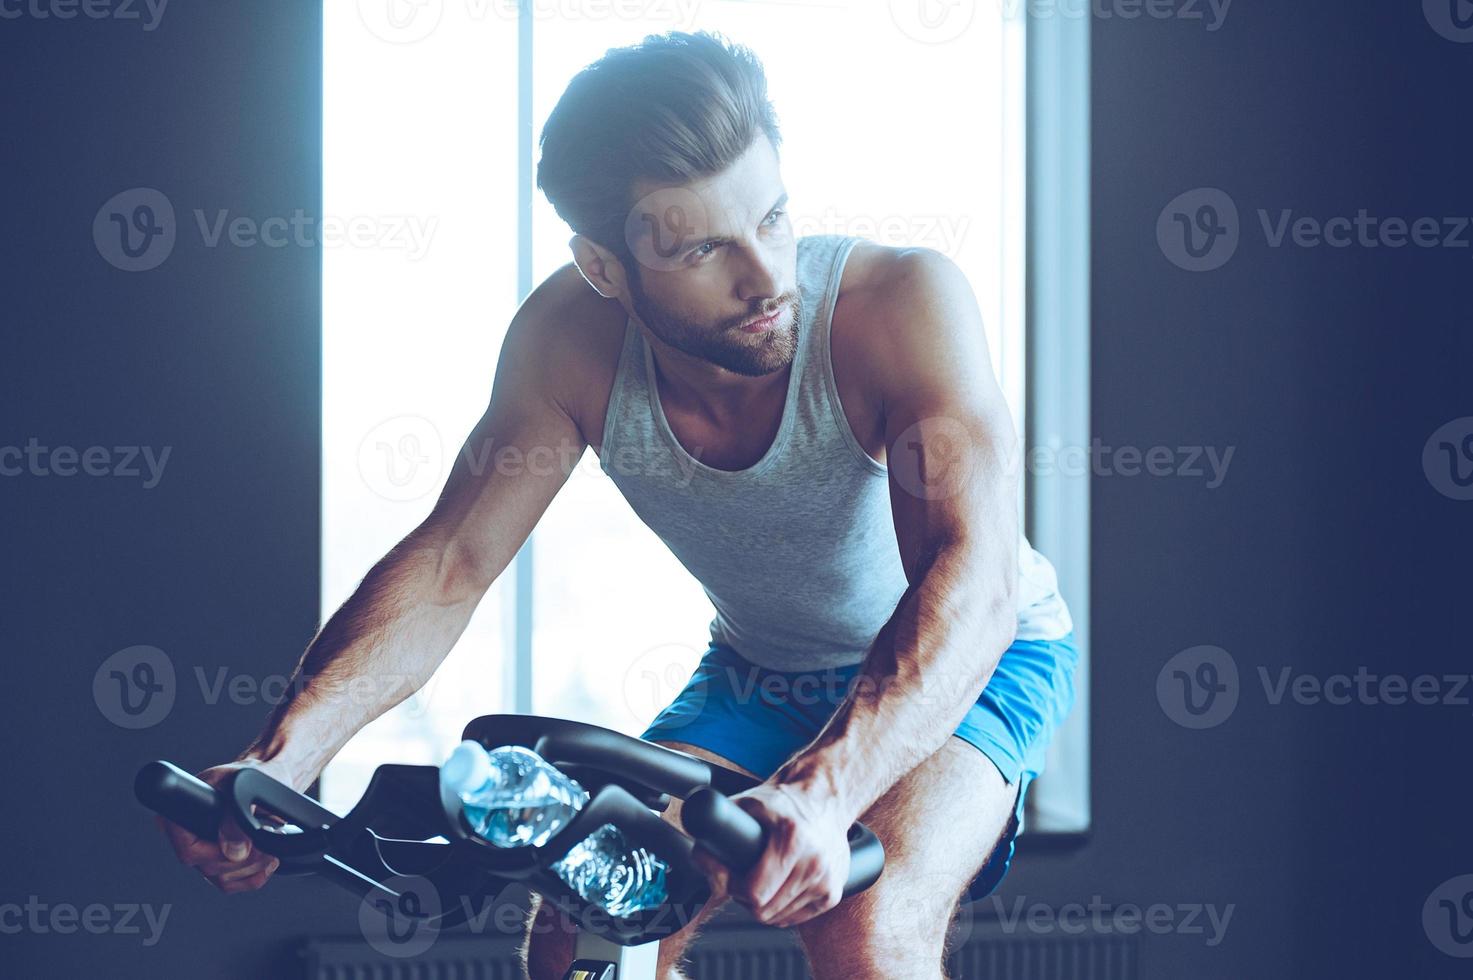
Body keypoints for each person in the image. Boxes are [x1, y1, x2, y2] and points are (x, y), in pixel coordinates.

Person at [157, 30, 1077, 980]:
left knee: (863, 918)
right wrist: (284, 758)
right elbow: (450, 565)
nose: (764, 276)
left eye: (770, 217)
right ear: (604, 268)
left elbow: (971, 581)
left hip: (977, 657)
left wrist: (828, 787)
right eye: (705, 248)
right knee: (590, 921)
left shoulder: (900, 305)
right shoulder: (569, 343)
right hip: (761, 675)